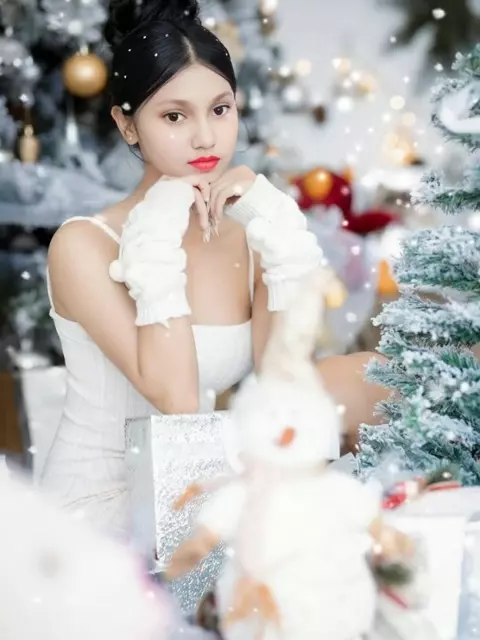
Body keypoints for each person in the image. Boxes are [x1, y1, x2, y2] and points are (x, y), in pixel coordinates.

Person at [41, 0, 388, 538]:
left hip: (195, 488)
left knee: (368, 377)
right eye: (174, 116)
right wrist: (158, 220)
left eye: (220, 109)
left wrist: (273, 223)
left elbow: (285, 390)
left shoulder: (247, 235)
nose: (205, 137)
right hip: (99, 512)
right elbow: (177, 401)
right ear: (127, 125)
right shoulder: (83, 244)